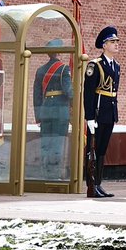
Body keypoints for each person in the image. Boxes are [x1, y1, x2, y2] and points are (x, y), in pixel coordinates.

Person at [83, 26, 121, 198]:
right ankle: (91, 185)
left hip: (109, 112)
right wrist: (89, 117)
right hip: (98, 113)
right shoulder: (95, 65)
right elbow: (89, 92)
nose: (116, 44)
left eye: (116, 42)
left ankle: (98, 184)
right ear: (104, 45)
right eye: (112, 42)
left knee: (102, 149)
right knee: (93, 149)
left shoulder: (116, 66)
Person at [32, 41, 72, 179]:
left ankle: (45, 174)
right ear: (59, 52)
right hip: (60, 111)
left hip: (45, 110)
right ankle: (55, 175)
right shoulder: (64, 69)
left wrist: (38, 116)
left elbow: (36, 95)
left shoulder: (40, 70)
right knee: (57, 143)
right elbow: (69, 92)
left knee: (46, 143)